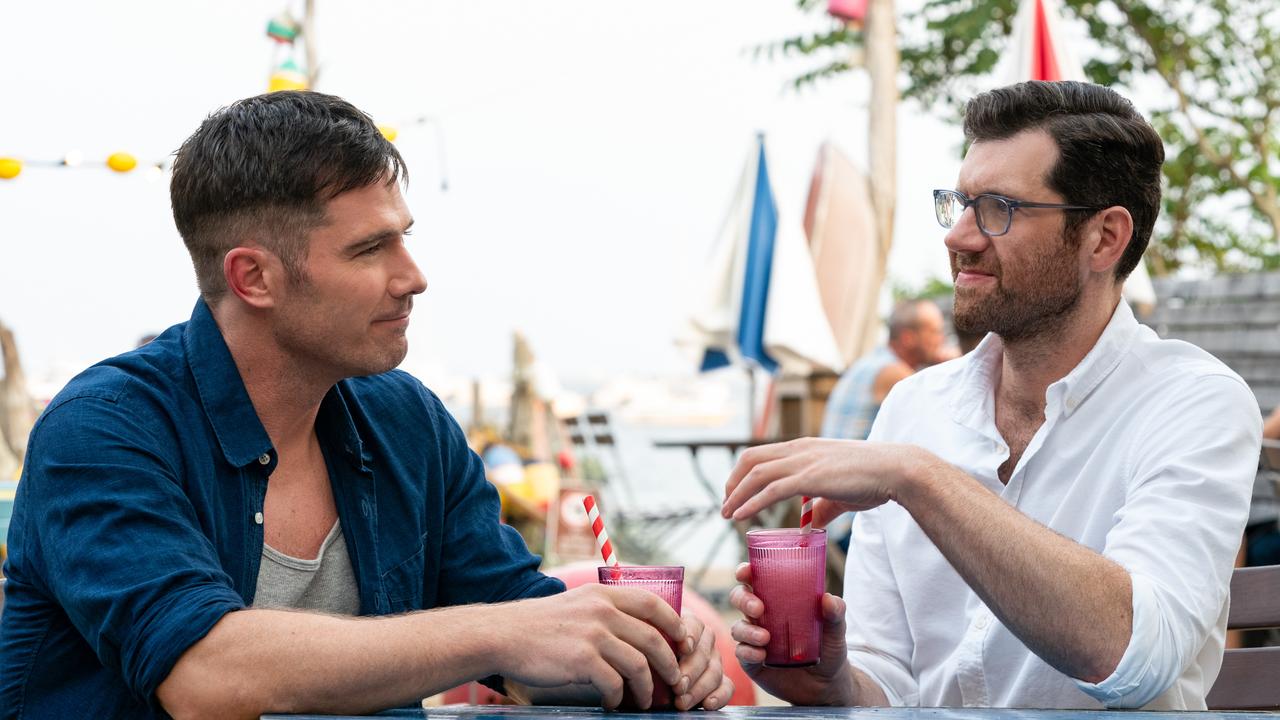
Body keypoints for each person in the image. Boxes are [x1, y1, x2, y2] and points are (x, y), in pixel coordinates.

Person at [0, 91, 731, 719]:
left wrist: (640, 655)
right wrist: (503, 634)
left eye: (404, 239)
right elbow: (206, 677)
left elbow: (526, 634)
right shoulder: (103, 429)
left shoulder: (406, 421)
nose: (413, 278)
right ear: (253, 277)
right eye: (369, 249)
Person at [721, 81, 1261, 710]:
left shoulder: (1194, 402)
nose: (960, 237)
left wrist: (917, 476)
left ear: (1105, 238)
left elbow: (1135, 657)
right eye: (960, 202)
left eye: (1000, 207)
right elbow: (888, 677)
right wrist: (833, 684)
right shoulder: (915, 407)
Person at [821, 298, 950, 443]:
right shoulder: (893, 372)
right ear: (908, 338)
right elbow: (943, 421)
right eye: (935, 332)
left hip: (838, 461)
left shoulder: (876, 360)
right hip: (851, 464)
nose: (942, 339)